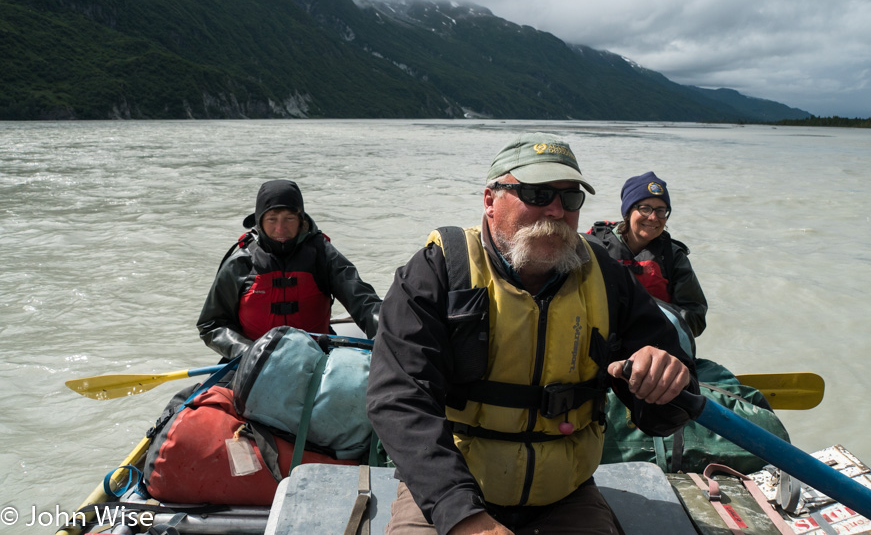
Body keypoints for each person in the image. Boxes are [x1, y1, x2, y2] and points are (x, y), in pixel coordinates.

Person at [366, 134, 698, 534]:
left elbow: (668, 411)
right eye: (537, 194)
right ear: (490, 200)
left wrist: (666, 381)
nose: (556, 211)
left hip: (564, 496)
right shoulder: (438, 270)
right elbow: (399, 398)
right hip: (449, 492)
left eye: (570, 198)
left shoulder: (609, 278)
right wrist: (463, 517)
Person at [197, 179, 380, 360]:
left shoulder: (322, 254)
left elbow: (363, 302)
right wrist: (247, 353)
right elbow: (211, 324)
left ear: (301, 220)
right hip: (253, 364)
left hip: (316, 357)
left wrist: (387, 333)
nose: (280, 228)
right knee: (212, 392)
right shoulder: (241, 262)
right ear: (260, 221)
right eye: (272, 219)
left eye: (289, 218)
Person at [586, 172, 708, 338]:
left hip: (653, 346)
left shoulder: (674, 257)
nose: (653, 217)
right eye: (644, 209)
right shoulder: (595, 246)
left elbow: (696, 318)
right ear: (628, 212)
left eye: (661, 211)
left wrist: (647, 313)